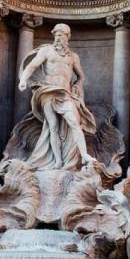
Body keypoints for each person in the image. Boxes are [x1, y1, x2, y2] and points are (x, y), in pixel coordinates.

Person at [17, 23, 97, 171]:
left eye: (61, 35)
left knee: (74, 122)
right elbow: (32, 66)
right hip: (48, 91)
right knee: (52, 127)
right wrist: (23, 80)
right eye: (56, 35)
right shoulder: (46, 51)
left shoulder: (73, 57)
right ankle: (58, 161)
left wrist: (78, 85)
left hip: (65, 93)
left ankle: (84, 155)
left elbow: (81, 76)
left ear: (68, 37)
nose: (58, 37)